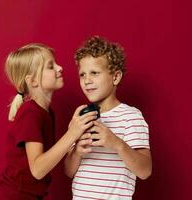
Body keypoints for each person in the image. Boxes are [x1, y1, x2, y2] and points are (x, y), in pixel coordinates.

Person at [0, 43, 97, 200]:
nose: (60, 68)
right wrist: (72, 133)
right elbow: (38, 170)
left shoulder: (47, 112)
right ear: (33, 81)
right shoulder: (30, 112)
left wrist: (75, 141)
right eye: (51, 66)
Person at [64, 36, 152, 199]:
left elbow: (145, 171)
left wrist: (116, 143)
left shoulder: (131, 116)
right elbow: (69, 172)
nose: (87, 80)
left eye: (94, 73)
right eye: (82, 74)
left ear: (115, 77)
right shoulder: (80, 117)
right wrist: (76, 152)